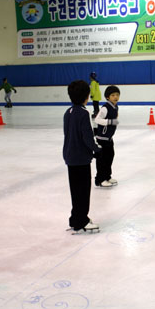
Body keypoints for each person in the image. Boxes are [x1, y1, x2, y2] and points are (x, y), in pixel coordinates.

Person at [63, 80, 102, 234]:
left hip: (70, 156)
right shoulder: (84, 113)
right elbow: (87, 137)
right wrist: (97, 150)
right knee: (83, 190)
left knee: (75, 190)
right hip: (80, 158)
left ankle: (75, 218)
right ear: (87, 97)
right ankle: (81, 220)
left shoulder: (68, 112)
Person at [94, 85, 120, 188]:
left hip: (109, 138)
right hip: (102, 139)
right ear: (107, 97)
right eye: (113, 95)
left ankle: (107, 176)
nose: (115, 97)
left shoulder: (115, 106)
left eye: (117, 95)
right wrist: (110, 122)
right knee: (102, 159)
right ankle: (99, 180)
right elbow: (97, 119)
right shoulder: (105, 107)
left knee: (110, 157)